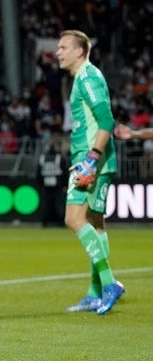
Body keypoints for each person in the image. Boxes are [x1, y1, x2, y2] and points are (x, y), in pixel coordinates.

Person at [57, 30, 124, 315]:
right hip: (97, 160)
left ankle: (109, 285)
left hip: (90, 161)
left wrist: (92, 158)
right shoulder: (82, 77)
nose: (58, 52)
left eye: (63, 47)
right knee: (95, 223)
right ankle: (96, 292)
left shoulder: (87, 77)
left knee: (73, 218)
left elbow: (107, 119)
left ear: (79, 51)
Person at [36, 138, 66, 227]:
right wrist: (65, 184)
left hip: (46, 183)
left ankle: (44, 222)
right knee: (59, 203)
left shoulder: (42, 157)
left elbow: (38, 173)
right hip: (58, 184)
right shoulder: (59, 157)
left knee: (45, 204)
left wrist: (40, 183)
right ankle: (61, 222)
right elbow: (64, 172)